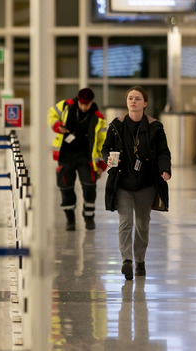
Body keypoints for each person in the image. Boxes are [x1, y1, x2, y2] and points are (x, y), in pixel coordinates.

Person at [102, 86, 171, 280]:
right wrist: (107, 157)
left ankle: (140, 260)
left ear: (145, 103)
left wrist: (164, 169)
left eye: (138, 99)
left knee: (142, 225)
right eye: (130, 98)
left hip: (146, 184)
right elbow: (105, 147)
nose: (133, 101)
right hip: (123, 183)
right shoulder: (116, 125)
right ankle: (127, 261)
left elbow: (164, 151)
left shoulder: (155, 127)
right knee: (125, 223)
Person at [48, 87, 108, 231]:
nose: (83, 107)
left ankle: (89, 218)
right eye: (81, 104)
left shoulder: (99, 118)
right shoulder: (66, 106)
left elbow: (102, 143)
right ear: (78, 100)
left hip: (86, 157)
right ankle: (70, 219)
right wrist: (57, 126)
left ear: (91, 102)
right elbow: (51, 115)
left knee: (89, 187)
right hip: (66, 155)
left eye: (86, 104)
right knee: (65, 187)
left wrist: (101, 165)